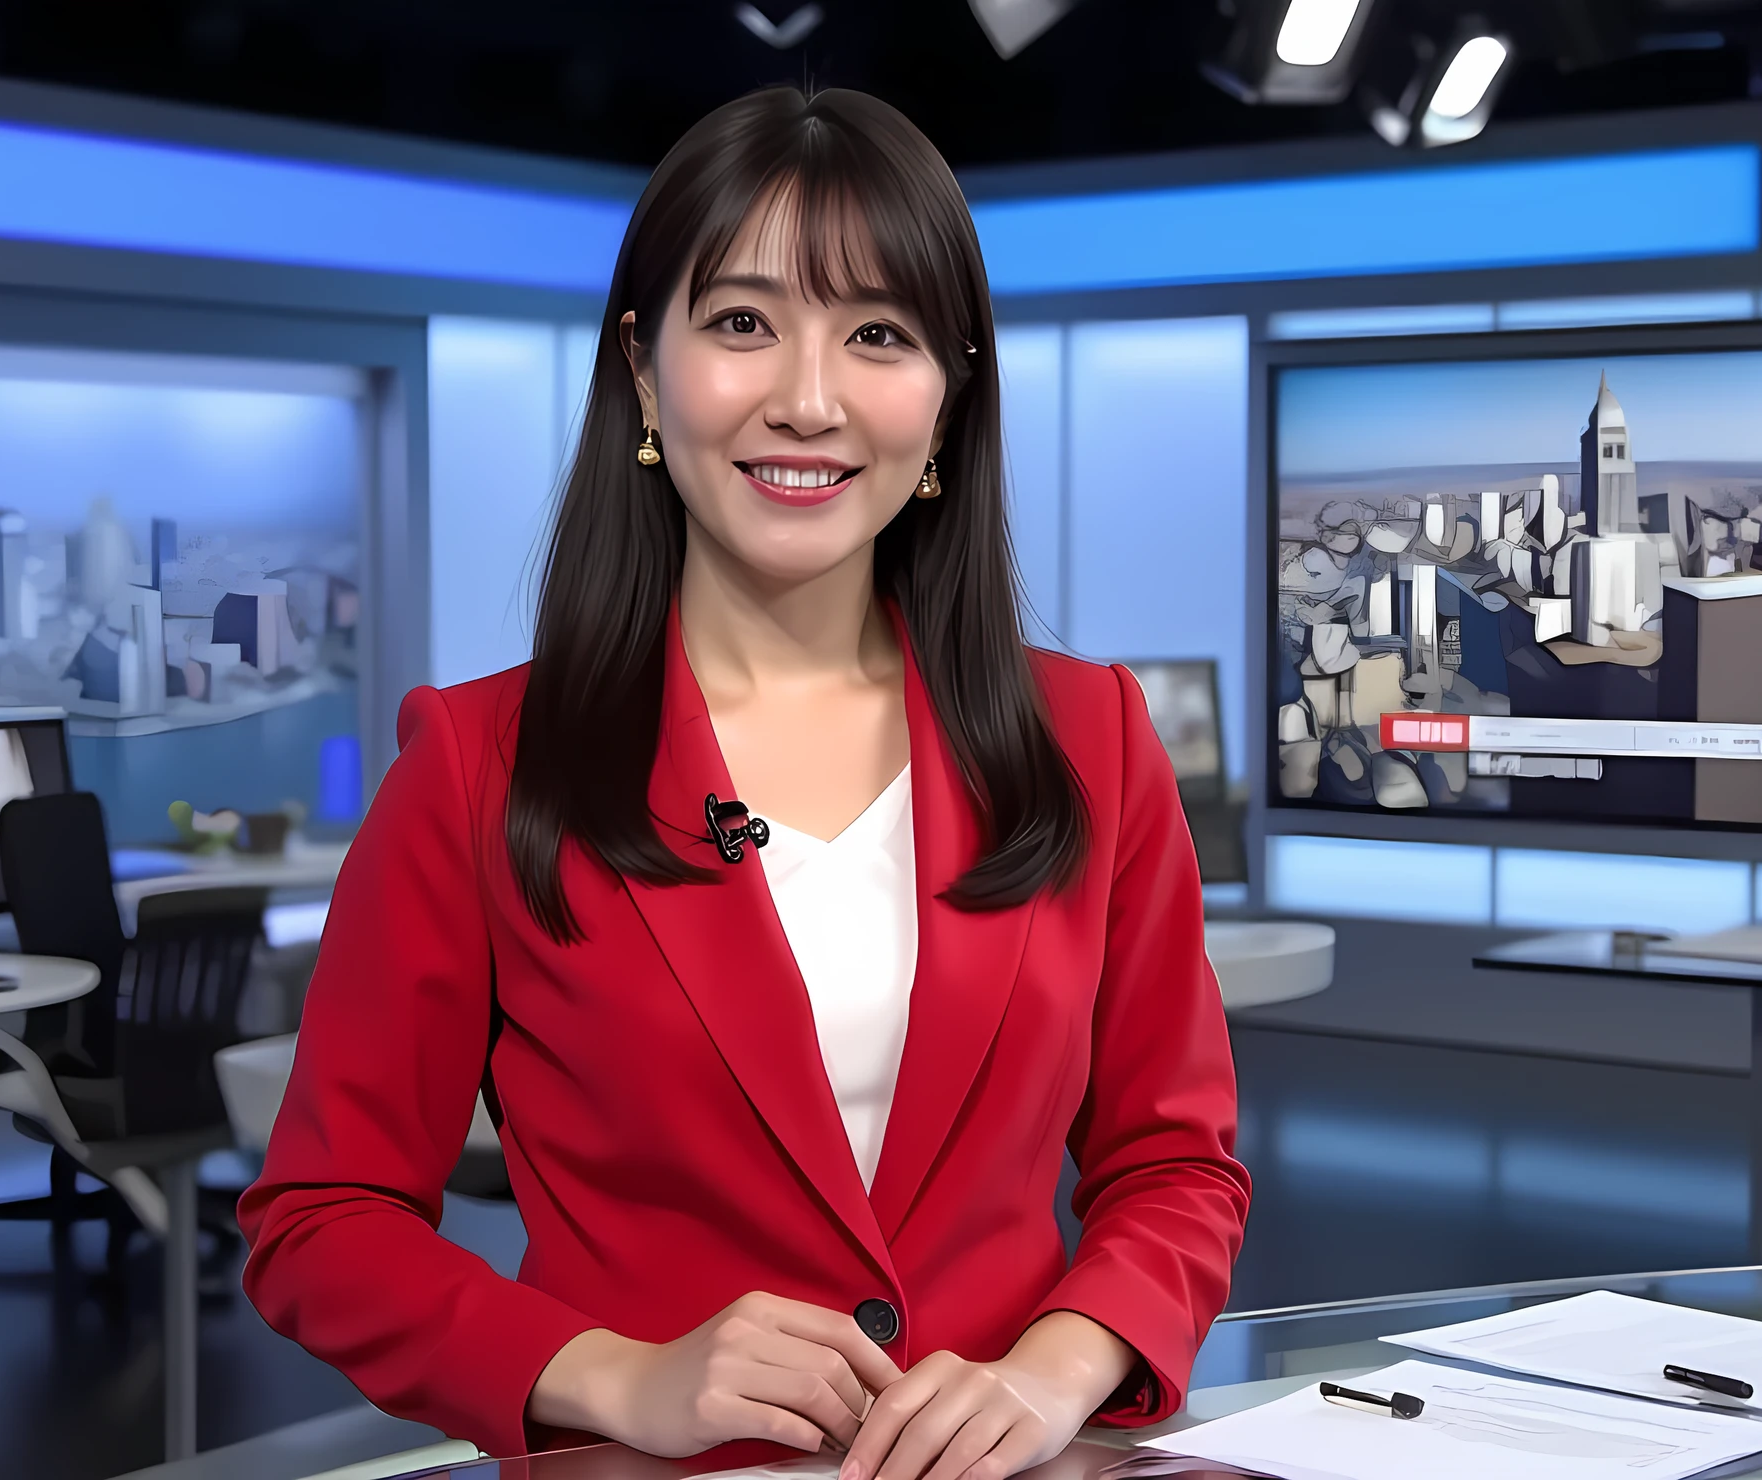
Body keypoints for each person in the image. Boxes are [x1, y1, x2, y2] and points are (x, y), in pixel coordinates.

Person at [239, 85, 1249, 1480]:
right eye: (741, 323)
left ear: (950, 394)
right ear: (645, 370)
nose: (809, 400)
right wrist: (619, 1376)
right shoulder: (479, 767)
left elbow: (1177, 1164)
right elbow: (322, 1219)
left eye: (879, 335)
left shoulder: (1092, 737)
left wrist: (1055, 1370)